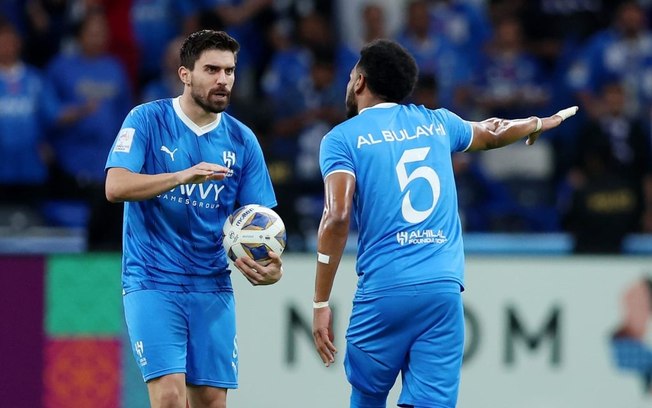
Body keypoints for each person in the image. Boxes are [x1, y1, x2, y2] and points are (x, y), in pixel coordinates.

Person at [311, 38, 578, 407]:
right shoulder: (437, 123)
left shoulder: (341, 139)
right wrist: (535, 122)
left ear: (359, 82)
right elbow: (491, 132)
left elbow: (337, 216)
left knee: (367, 397)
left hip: (384, 292)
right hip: (443, 291)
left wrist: (320, 301)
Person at [104, 30, 282, 408]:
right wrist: (183, 175)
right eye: (212, 69)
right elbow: (115, 185)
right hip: (152, 280)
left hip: (212, 286)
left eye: (230, 71)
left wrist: (272, 269)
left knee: (210, 401)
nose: (223, 80)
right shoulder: (147, 120)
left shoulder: (242, 140)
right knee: (169, 398)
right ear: (185, 74)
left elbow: (258, 222)